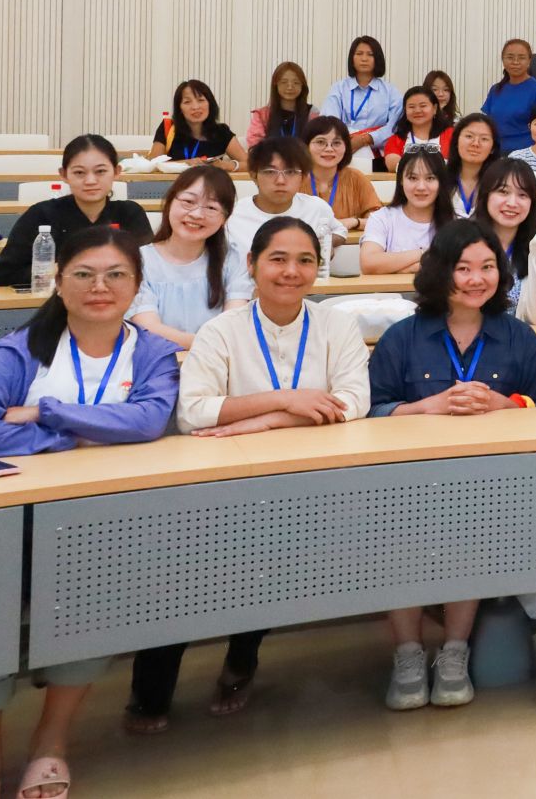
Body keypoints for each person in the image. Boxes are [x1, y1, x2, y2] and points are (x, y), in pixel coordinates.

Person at [0, 225, 181, 795]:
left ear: (137, 285)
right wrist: (74, 436)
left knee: (85, 612)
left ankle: (51, 743)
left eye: (116, 275)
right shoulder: (23, 348)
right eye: (84, 274)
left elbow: (148, 420)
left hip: (98, 522)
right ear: (58, 280)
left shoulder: (151, 351)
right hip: (3, 522)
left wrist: (45, 411)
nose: (101, 286)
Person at [173, 218, 370, 718]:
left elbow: (354, 401)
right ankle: (157, 678)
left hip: (319, 480)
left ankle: (242, 658)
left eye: (305, 261)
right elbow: (193, 411)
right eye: (277, 259)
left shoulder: (337, 325)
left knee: (269, 559)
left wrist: (265, 420)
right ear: (251, 264)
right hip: (230, 484)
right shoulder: (220, 331)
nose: (291, 271)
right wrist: (287, 400)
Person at [369, 221, 536, 711]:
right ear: (440, 271)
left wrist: (504, 403)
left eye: (488, 267)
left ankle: (454, 651)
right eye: (463, 268)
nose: (476, 279)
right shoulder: (402, 338)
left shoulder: (518, 337)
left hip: (494, 483)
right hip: (409, 484)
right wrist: (423, 407)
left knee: (470, 534)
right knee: (398, 540)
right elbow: (370, 412)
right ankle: (408, 655)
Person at [0, 134, 152, 288]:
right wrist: (58, 270)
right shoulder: (41, 215)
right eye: (79, 173)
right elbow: (5, 274)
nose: (90, 181)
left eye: (100, 171)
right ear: (63, 175)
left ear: (116, 172)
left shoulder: (130, 214)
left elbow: (148, 269)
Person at [128, 166, 252, 347]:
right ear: (169, 202)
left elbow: (232, 325)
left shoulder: (233, 258)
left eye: (211, 207)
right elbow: (148, 328)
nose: (197, 214)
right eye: (188, 201)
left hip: (219, 360)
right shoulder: (137, 261)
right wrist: (208, 345)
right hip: (159, 361)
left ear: (224, 218)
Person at [224, 140, 342, 268]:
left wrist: (325, 244)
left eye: (290, 172)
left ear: (303, 177)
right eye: (270, 171)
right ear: (254, 175)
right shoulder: (232, 215)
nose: (280, 181)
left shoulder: (316, 207)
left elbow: (340, 231)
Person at [473, 159, 536, 324]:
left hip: (516, 338)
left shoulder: (535, 247)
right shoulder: (464, 242)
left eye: (522, 195)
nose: (512, 203)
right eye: (503, 192)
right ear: (485, 195)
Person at [360, 147, 454, 275]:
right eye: (413, 178)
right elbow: (368, 263)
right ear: (401, 180)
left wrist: (405, 269)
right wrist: (424, 254)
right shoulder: (382, 218)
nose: (421, 187)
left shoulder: (456, 221)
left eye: (430, 178)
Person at [320, 34, 399, 154]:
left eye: (370, 54)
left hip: (378, 153)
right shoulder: (339, 88)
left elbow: (395, 126)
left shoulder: (390, 91)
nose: (364, 59)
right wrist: (345, 142)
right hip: (342, 150)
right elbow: (329, 121)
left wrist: (366, 139)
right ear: (352, 58)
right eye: (359, 53)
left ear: (377, 59)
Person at [301, 114, 381, 230]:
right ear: (306, 146)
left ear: (346, 147)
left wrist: (354, 222)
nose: (329, 149)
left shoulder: (356, 178)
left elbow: (379, 221)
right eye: (320, 142)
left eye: (336, 143)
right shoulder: (295, 178)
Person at [147, 78, 246, 169]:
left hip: (209, 182)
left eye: (201, 100)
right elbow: (153, 164)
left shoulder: (221, 132)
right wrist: (186, 163)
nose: (195, 107)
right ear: (179, 108)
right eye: (187, 102)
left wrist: (227, 165)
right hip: (174, 183)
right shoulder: (168, 127)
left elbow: (249, 164)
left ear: (210, 104)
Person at [481, 38, 536, 154]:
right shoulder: (495, 89)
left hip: (526, 155)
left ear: (529, 61)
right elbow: (487, 123)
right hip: (495, 153)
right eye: (510, 57)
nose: (515, 62)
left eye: (521, 58)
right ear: (503, 60)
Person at [445, 113, 502, 218]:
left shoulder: (501, 181)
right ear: (456, 141)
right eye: (469, 136)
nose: (475, 143)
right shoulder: (439, 175)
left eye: (484, 139)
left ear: (493, 148)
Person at [380, 85, 453, 162]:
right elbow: (392, 164)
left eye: (423, 106)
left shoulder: (451, 135)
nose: (417, 111)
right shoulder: (395, 140)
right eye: (411, 107)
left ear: (435, 108)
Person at [247, 60, 312, 145]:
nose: (290, 87)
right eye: (284, 82)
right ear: (275, 85)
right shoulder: (262, 115)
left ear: (302, 86)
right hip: (270, 154)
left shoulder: (312, 114)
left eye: (296, 83)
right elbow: (255, 145)